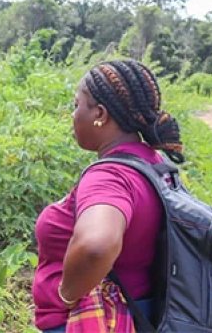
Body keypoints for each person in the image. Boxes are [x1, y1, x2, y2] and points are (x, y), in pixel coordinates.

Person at [32, 60, 185, 332]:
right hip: (142, 311)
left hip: (100, 320)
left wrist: (65, 295)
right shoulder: (151, 162)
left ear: (100, 114)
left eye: (77, 104)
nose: (73, 114)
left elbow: (96, 246)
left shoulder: (109, 177)